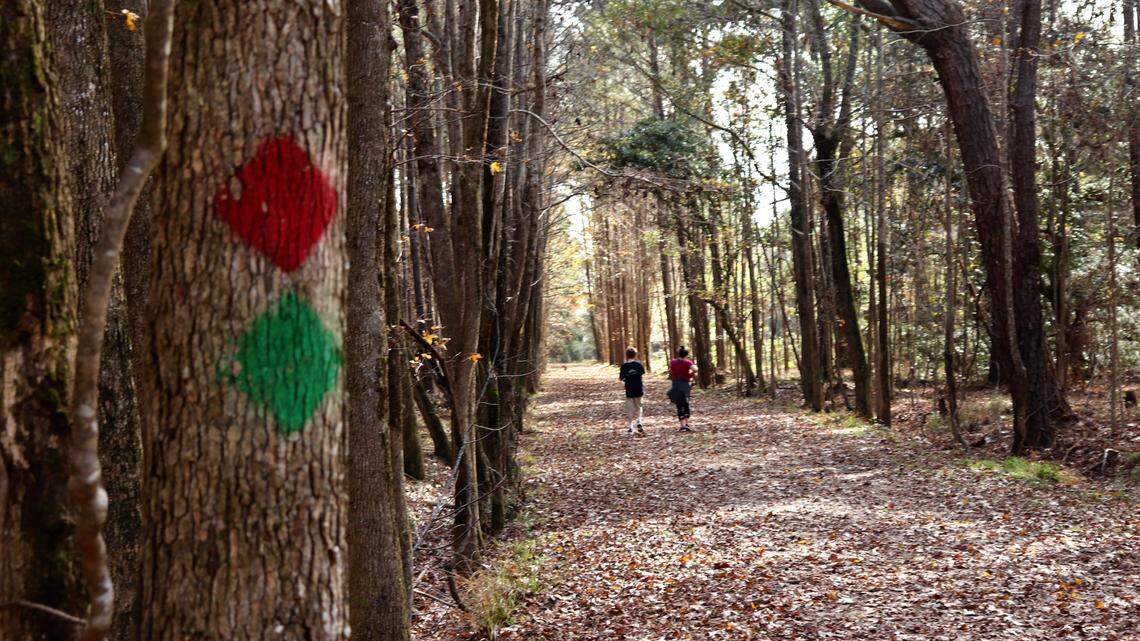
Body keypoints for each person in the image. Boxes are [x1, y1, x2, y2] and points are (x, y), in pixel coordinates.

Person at [667, 346, 697, 432]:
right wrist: (690, 374)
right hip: (685, 384)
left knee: (679, 404)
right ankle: (686, 424)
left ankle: (683, 425)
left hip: (676, 384)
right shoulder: (688, 362)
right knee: (686, 403)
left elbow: (671, 370)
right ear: (686, 355)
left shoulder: (673, 362)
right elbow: (695, 369)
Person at [618, 347, 646, 436]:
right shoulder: (639, 365)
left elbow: (621, 378)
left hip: (629, 389)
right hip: (638, 388)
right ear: (635, 355)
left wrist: (626, 378)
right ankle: (639, 421)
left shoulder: (624, 366)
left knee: (630, 409)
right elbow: (642, 375)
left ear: (627, 355)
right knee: (639, 406)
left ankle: (630, 427)